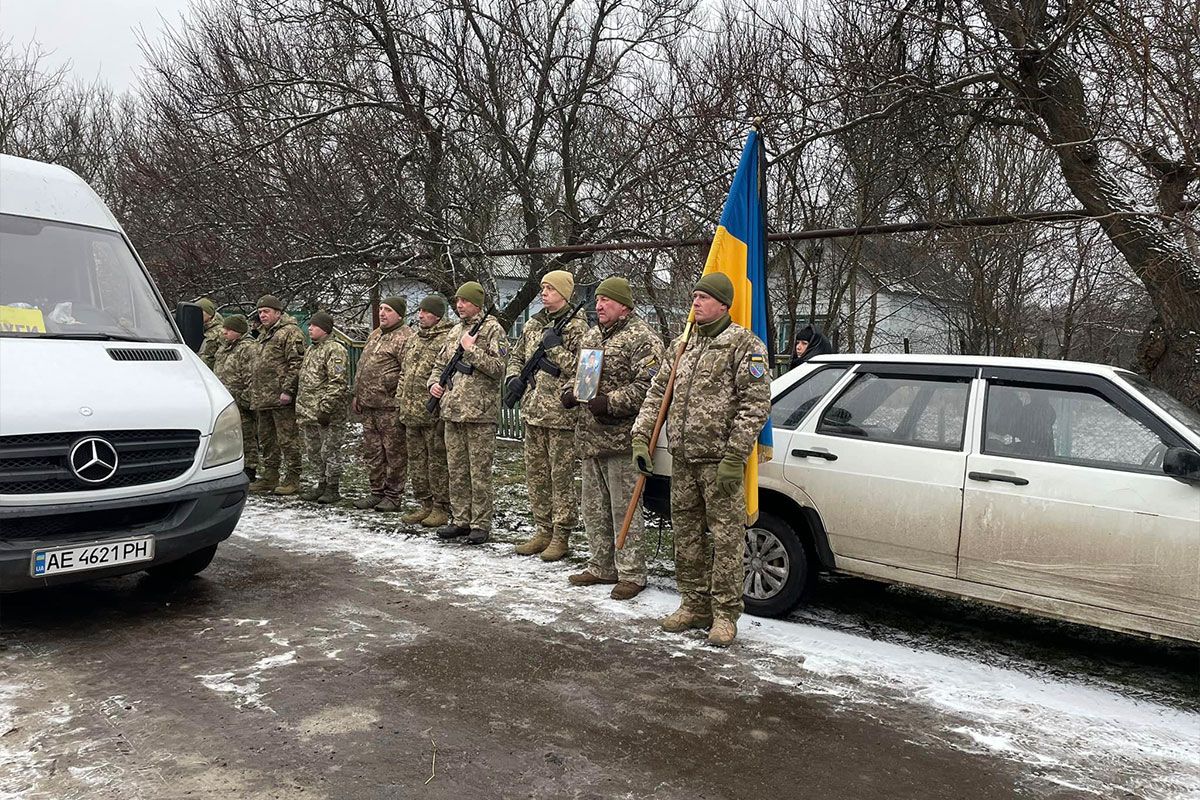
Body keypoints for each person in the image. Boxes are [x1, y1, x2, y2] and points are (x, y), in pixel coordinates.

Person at [631, 273, 771, 646]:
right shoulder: (683, 344)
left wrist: (734, 456)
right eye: (694, 296)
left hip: (718, 463)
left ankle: (725, 615)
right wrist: (641, 438)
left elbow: (755, 405)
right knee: (687, 535)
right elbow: (657, 394)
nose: (696, 302)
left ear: (724, 304)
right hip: (684, 460)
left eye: (704, 297)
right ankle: (693, 604)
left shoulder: (743, 345)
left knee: (726, 540)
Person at [564, 276, 665, 600]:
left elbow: (650, 386)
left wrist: (611, 401)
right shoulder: (592, 335)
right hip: (591, 438)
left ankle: (632, 573)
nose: (599, 306)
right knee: (593, 508)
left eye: (605, 300)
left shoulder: (642, 338)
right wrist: (570, 392)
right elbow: (580, 376)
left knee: (625, 508)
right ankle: (601, 565)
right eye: (596, 301)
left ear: (624, 305)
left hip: (623, 439)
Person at [506, 270, 589, 561]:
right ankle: (543, 529)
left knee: (560, 478)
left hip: (561, 416)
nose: (544, 293)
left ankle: (561, 535)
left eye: (550, 289)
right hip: (533, 412)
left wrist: (556, 350)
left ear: (564, 294)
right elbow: (517, 355)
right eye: (542, 288)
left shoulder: (579, 327)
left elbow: (583, 370)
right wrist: (513, 377)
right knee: (537, 476)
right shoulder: (534, 323)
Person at [427, 281, 506, 545]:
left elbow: (498, 368)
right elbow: (439, 363)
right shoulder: (454, 332)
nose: (459, 305)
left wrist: (471, 349)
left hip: (479, 413)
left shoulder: (492, 329)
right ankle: (460, 519)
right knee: (457, 470)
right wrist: (434, 384)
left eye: (464, 301)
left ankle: (480, 523)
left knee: (479, 472)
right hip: (452, 411)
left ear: (477, 304)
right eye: (457, 301)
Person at [395, 295, 455, 527]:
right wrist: (400, 400)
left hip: (432, 413)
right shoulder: (414, 340)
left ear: (437, 316)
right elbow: (405, 373)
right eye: (419, 310)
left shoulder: (445, 339)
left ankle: (441, 506)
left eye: (425, 311)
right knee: (417, 462)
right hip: (411, 412)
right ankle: (425, 504)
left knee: (437, 461)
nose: (420, 315)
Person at [352, 297, 412, 512]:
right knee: (373, 452)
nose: (382, 313)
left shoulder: (405, 337)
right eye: (381, 309)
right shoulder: (375, 334)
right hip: (369, 404)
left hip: (390, 405)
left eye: (388, 310)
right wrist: (357, 394)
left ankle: (394, 495)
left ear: (399, 314)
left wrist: (397, 396)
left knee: (394, 452)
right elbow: (363, 367)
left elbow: (408, 371)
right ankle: (376, 492)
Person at [248, 294, 307, 495]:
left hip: (280, 397)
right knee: (267, 440)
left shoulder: (290, 332)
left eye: (266, 312)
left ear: (278, 313)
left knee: (287, 439)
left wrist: (288, 390)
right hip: (262, 397)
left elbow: (296, 363)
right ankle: (270, 476)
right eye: (260, 312)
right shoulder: (263, 334)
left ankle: (293, 478)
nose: (262, 315)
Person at [296, 311, 350, 503]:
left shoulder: (335, 350)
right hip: (308, 412)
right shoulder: (312, 349)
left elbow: (337, 382)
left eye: (314, 325)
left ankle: (333, 487)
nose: (309, 328)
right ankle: (321, 483)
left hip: (327, 413)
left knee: (330, 450)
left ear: (325, 329)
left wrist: (326, 407)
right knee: (314, 451)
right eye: (309, 325)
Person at [212, 314, 258, 482]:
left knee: (246, 434)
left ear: (238, 332)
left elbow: (250, 375)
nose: (224, 332)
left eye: (229, 329)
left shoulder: (247, 348)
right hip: (225, 399)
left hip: (241, 399)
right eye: (224, 328)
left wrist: (246, 399)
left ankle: (250, 467)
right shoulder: (225, 347)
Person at [197, 297, 224, 370]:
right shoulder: (198, 328)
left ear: (209, 314)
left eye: (201, 312)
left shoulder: (220, 331)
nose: (197, 315)